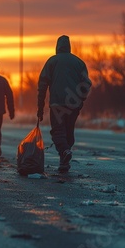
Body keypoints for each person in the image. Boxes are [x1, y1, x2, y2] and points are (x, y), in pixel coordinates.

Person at [37, 35, 92, 173]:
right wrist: (81, 100)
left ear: (57, 46)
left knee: (58, 131)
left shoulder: (52, 62)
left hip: (57, 103)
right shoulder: (79, 62)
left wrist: (40, 106)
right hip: (73, 104)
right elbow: (86, 84)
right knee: (68, 131)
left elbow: (42, 85)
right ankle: (64, 161)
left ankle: (65, 152)